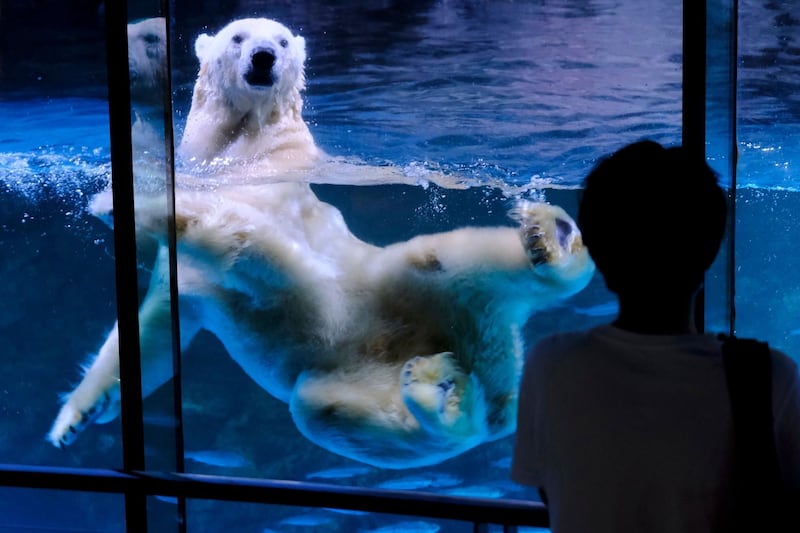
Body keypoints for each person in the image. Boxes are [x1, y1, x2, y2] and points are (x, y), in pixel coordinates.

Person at [511, 140, 800, 533]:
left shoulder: (550, 366)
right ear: (710, 249)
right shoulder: (768, 379)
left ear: (596, 250)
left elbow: (551, 489)